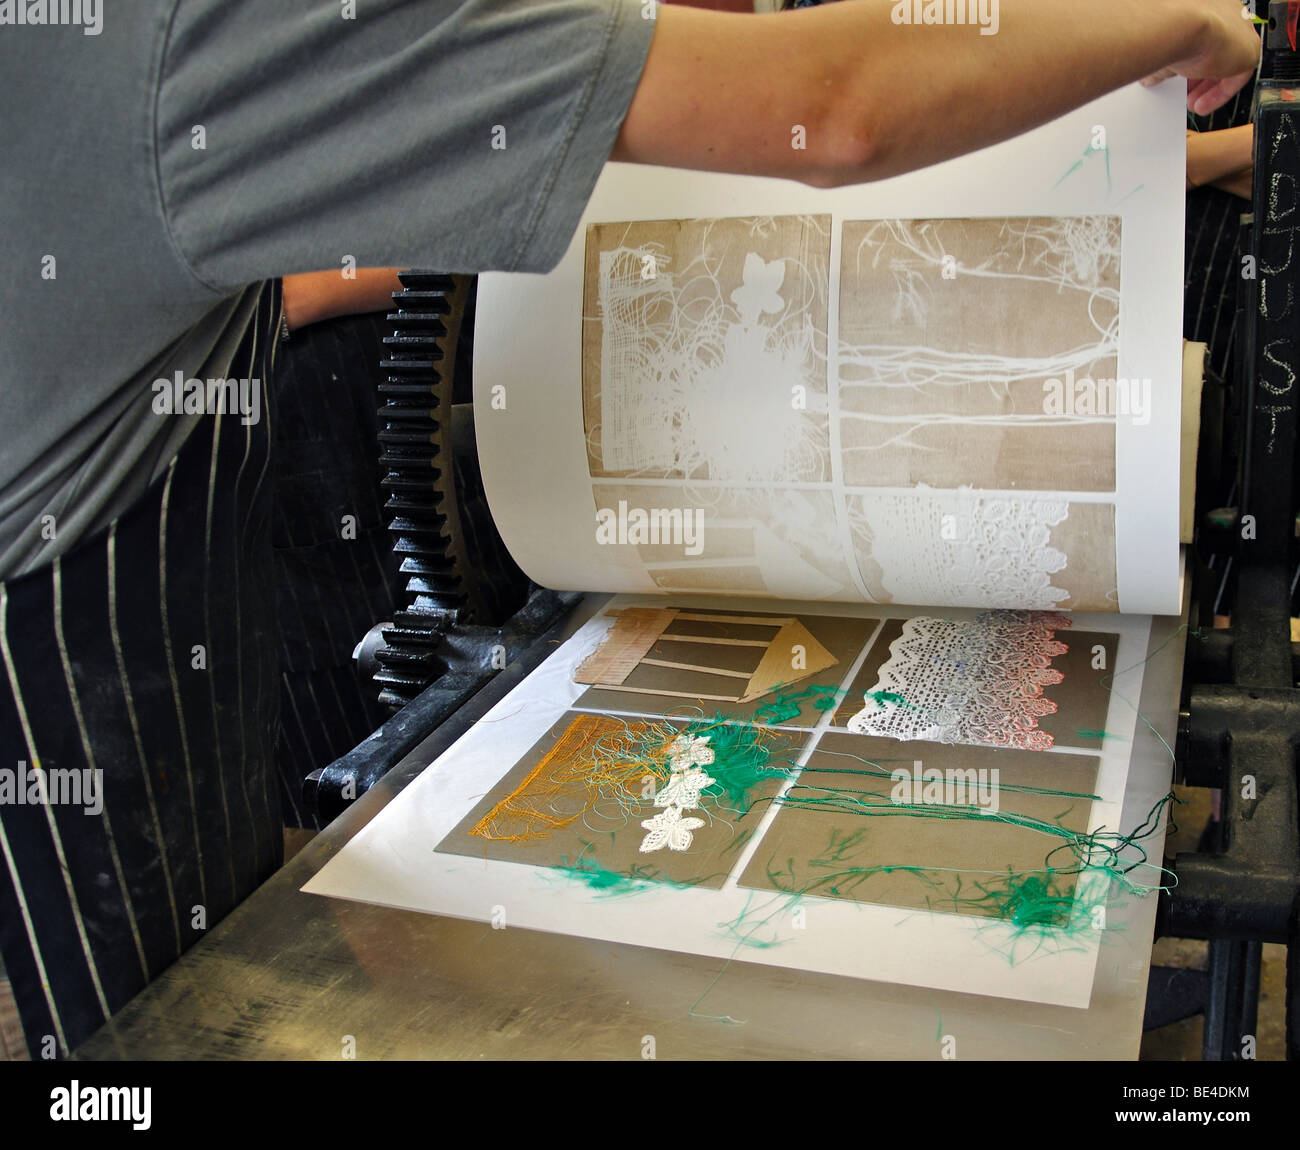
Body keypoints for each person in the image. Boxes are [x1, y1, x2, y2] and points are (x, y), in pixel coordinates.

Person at [0, 0, 1261, 1059]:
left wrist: (1169, 155)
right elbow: (837, 106)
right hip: (60, 634)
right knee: (164, 1032)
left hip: (122, 578)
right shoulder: (193, 29)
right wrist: (1187, 23)